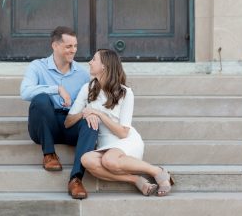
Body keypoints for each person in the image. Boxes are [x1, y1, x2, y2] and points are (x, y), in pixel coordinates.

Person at [66, 49, 174, 197]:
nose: (90, 62)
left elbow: (123, 132)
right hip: (104, 144)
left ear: (104, 66)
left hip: (124, 141)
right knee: (86, 159)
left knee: (109, 160)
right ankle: (135, 180)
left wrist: (98, 113)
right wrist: (84, 112)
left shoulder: (125, 92)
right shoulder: (87, 88)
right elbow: (68, 122)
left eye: (94, 59)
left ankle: (158, 171)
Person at [20, 26, 98, 199]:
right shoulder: (37, 67)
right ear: (55, 46)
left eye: (75, 46)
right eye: (68, 46)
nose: (73, 50)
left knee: (92, 122)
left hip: (70, 123)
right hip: (45, 124)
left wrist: (90, 112)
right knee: (41, 99)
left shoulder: (82, 74)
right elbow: (25, 92)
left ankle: (76, 179)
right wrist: (56, 89)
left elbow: (88, 100)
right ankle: (49, 154)